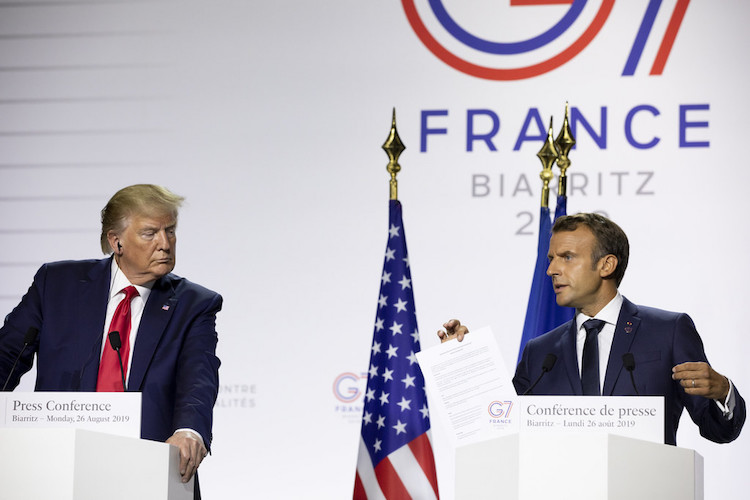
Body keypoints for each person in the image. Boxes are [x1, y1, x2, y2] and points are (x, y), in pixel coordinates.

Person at [438, 212, 745, 445]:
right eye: (551, 259)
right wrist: (461, 361)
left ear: (606, 265)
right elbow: (499, 428)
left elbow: (718, 430)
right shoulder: (540, 353)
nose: (551, 270)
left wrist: (723, 391)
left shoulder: (668, 331)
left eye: (567, 257)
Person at [0, 184, 221, 497]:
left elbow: (199, 376)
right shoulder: (56, 284)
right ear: (116, 241)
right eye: (150, 233)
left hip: (149, 472)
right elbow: (7, 355)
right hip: (54, 467)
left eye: (170, 231)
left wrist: (190, 430)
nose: (165, 243)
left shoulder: (194, 304)